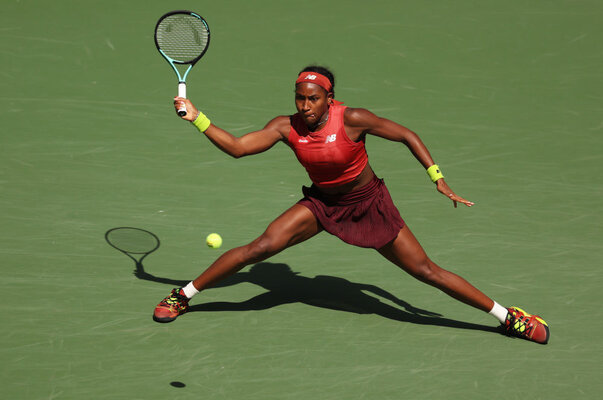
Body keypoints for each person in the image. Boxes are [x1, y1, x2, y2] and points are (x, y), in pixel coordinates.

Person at [152, 66, 549, 344]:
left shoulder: (353, 119)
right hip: (322, 205)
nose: (304, 106)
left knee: (427, 271)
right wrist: (197, 118)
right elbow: (239, 148)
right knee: (260, 248)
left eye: (313, 99)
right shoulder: (284, 126)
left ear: (329, 99)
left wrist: (438, 178)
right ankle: (183, 295)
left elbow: (408, 135)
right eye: (299, 98)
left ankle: (508, 317)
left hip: (368, 204)